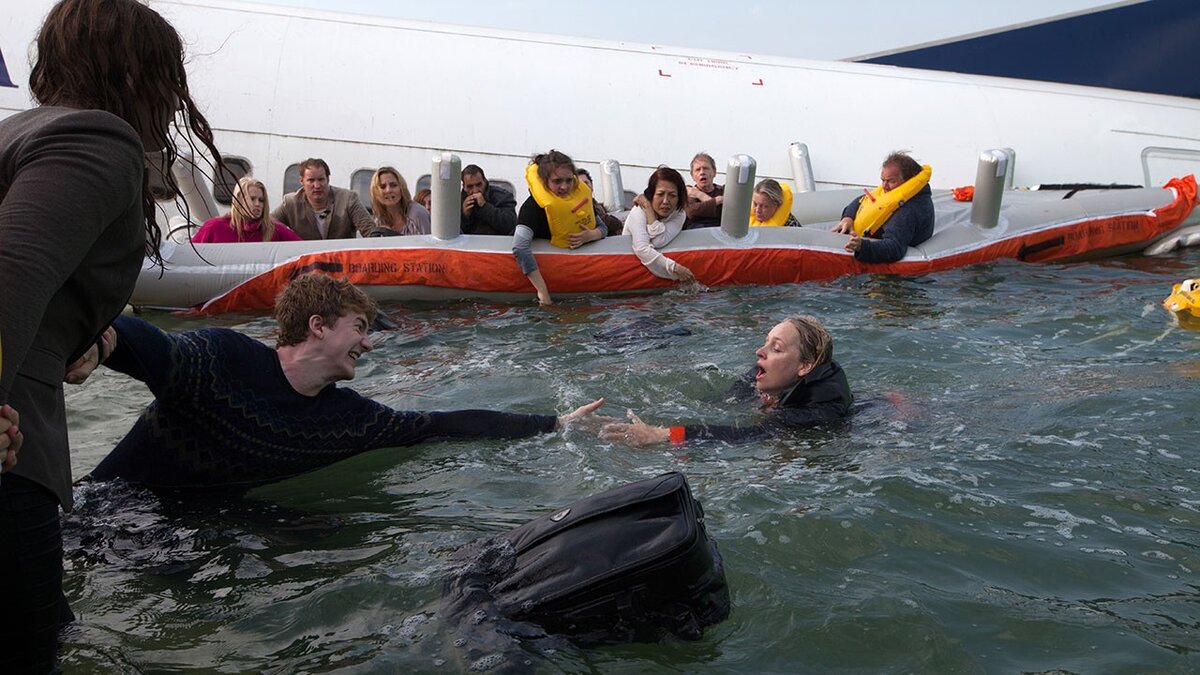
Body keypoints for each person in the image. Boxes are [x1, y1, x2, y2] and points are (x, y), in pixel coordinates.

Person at [0, 0, 224, 670]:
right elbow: (9, 271)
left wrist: (90, 338)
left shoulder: (21, 132)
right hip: (13, 453)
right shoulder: (97, 138)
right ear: (143, 76)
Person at [85, 274, 609, 490]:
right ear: (318, 326)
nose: (369, 342)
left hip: (197, 529)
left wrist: (555, 422)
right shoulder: (225, 358)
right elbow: (153, 346)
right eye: (359, 328)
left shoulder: (348, 419)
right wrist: (103, 340)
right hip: (108, 512)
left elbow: (441, 425)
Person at [601, 316, 851, 445]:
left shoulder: (818, 410)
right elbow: (715, 406)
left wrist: (661, 435)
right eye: (765, 343)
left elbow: (745, 435)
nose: (759, 352)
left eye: (776, 348)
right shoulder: (761, 380)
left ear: (805, 366)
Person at [513, 150, 608, 305]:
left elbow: (603, 228)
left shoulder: (579, 199)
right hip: (544, 277)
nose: (564, 187)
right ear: (544, 181)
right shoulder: (533, 208)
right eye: (557, 181)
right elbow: (519, 247)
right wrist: (542, 292)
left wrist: (590, 236)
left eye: (569, 180)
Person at [831, 151, 935, 263]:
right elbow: (861, 201)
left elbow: (895, 248)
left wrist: (862, 247)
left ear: (908, 181)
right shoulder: (893, 192)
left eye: (891, 181)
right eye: (883, 180)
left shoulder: (908, 209)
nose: (884, 186)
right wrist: (848, 217)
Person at [271, 157, 376, 240]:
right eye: (311, 180)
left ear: (328, 179)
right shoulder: (290, 203)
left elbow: (371, 232)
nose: (317, 185)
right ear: (301, 181)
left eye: (321, 179)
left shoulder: (348, 199)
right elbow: (267, 226)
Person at [624, 167, 695, 282]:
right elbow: (641, 248)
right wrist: (675, 268)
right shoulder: (638, 211)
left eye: (672, 195)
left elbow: (659, 241)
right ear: (651, 195)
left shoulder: (680, 214)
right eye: (660, 194)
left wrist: (649, 211)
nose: (666, 201)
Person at [192, 177, 302, 243]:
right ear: (238, 200)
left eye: (261, 200)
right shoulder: (214, 227)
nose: (258, 204)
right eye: (252, 199)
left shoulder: (275, 230)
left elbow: (303, 250)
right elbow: (189, 255)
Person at [371, 166, 430, 236]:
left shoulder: (418, 214)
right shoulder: (379, 220)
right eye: (383, 187)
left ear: (402, 188)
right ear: (376, 193)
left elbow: (429, 244)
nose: (388, 190)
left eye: (394, 185)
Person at [460, 164, 518, 236]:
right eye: (470, 187)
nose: (475, 190)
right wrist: (464, 216)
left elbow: (510, 225)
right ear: (464, 187)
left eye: (479, 185)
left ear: (484, 181)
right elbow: (451, 232)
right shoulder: (458, 200)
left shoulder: (502, 196)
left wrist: (485, 207)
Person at [576, 168, 623, 236]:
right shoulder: (577, 208)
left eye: (586, 183)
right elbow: (610, 223)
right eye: (580, 185)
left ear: (592, 185)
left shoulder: (597, 205)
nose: (584, 187)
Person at [684, 152, 724, 228]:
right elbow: (690, 212)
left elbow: (725, 214)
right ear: (692, 176)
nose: (702, 172)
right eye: (698, 170)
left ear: (714, 172)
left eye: (706, 168)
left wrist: (700, 196)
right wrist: (716, 201)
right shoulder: (689, 191)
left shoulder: (723, 191)